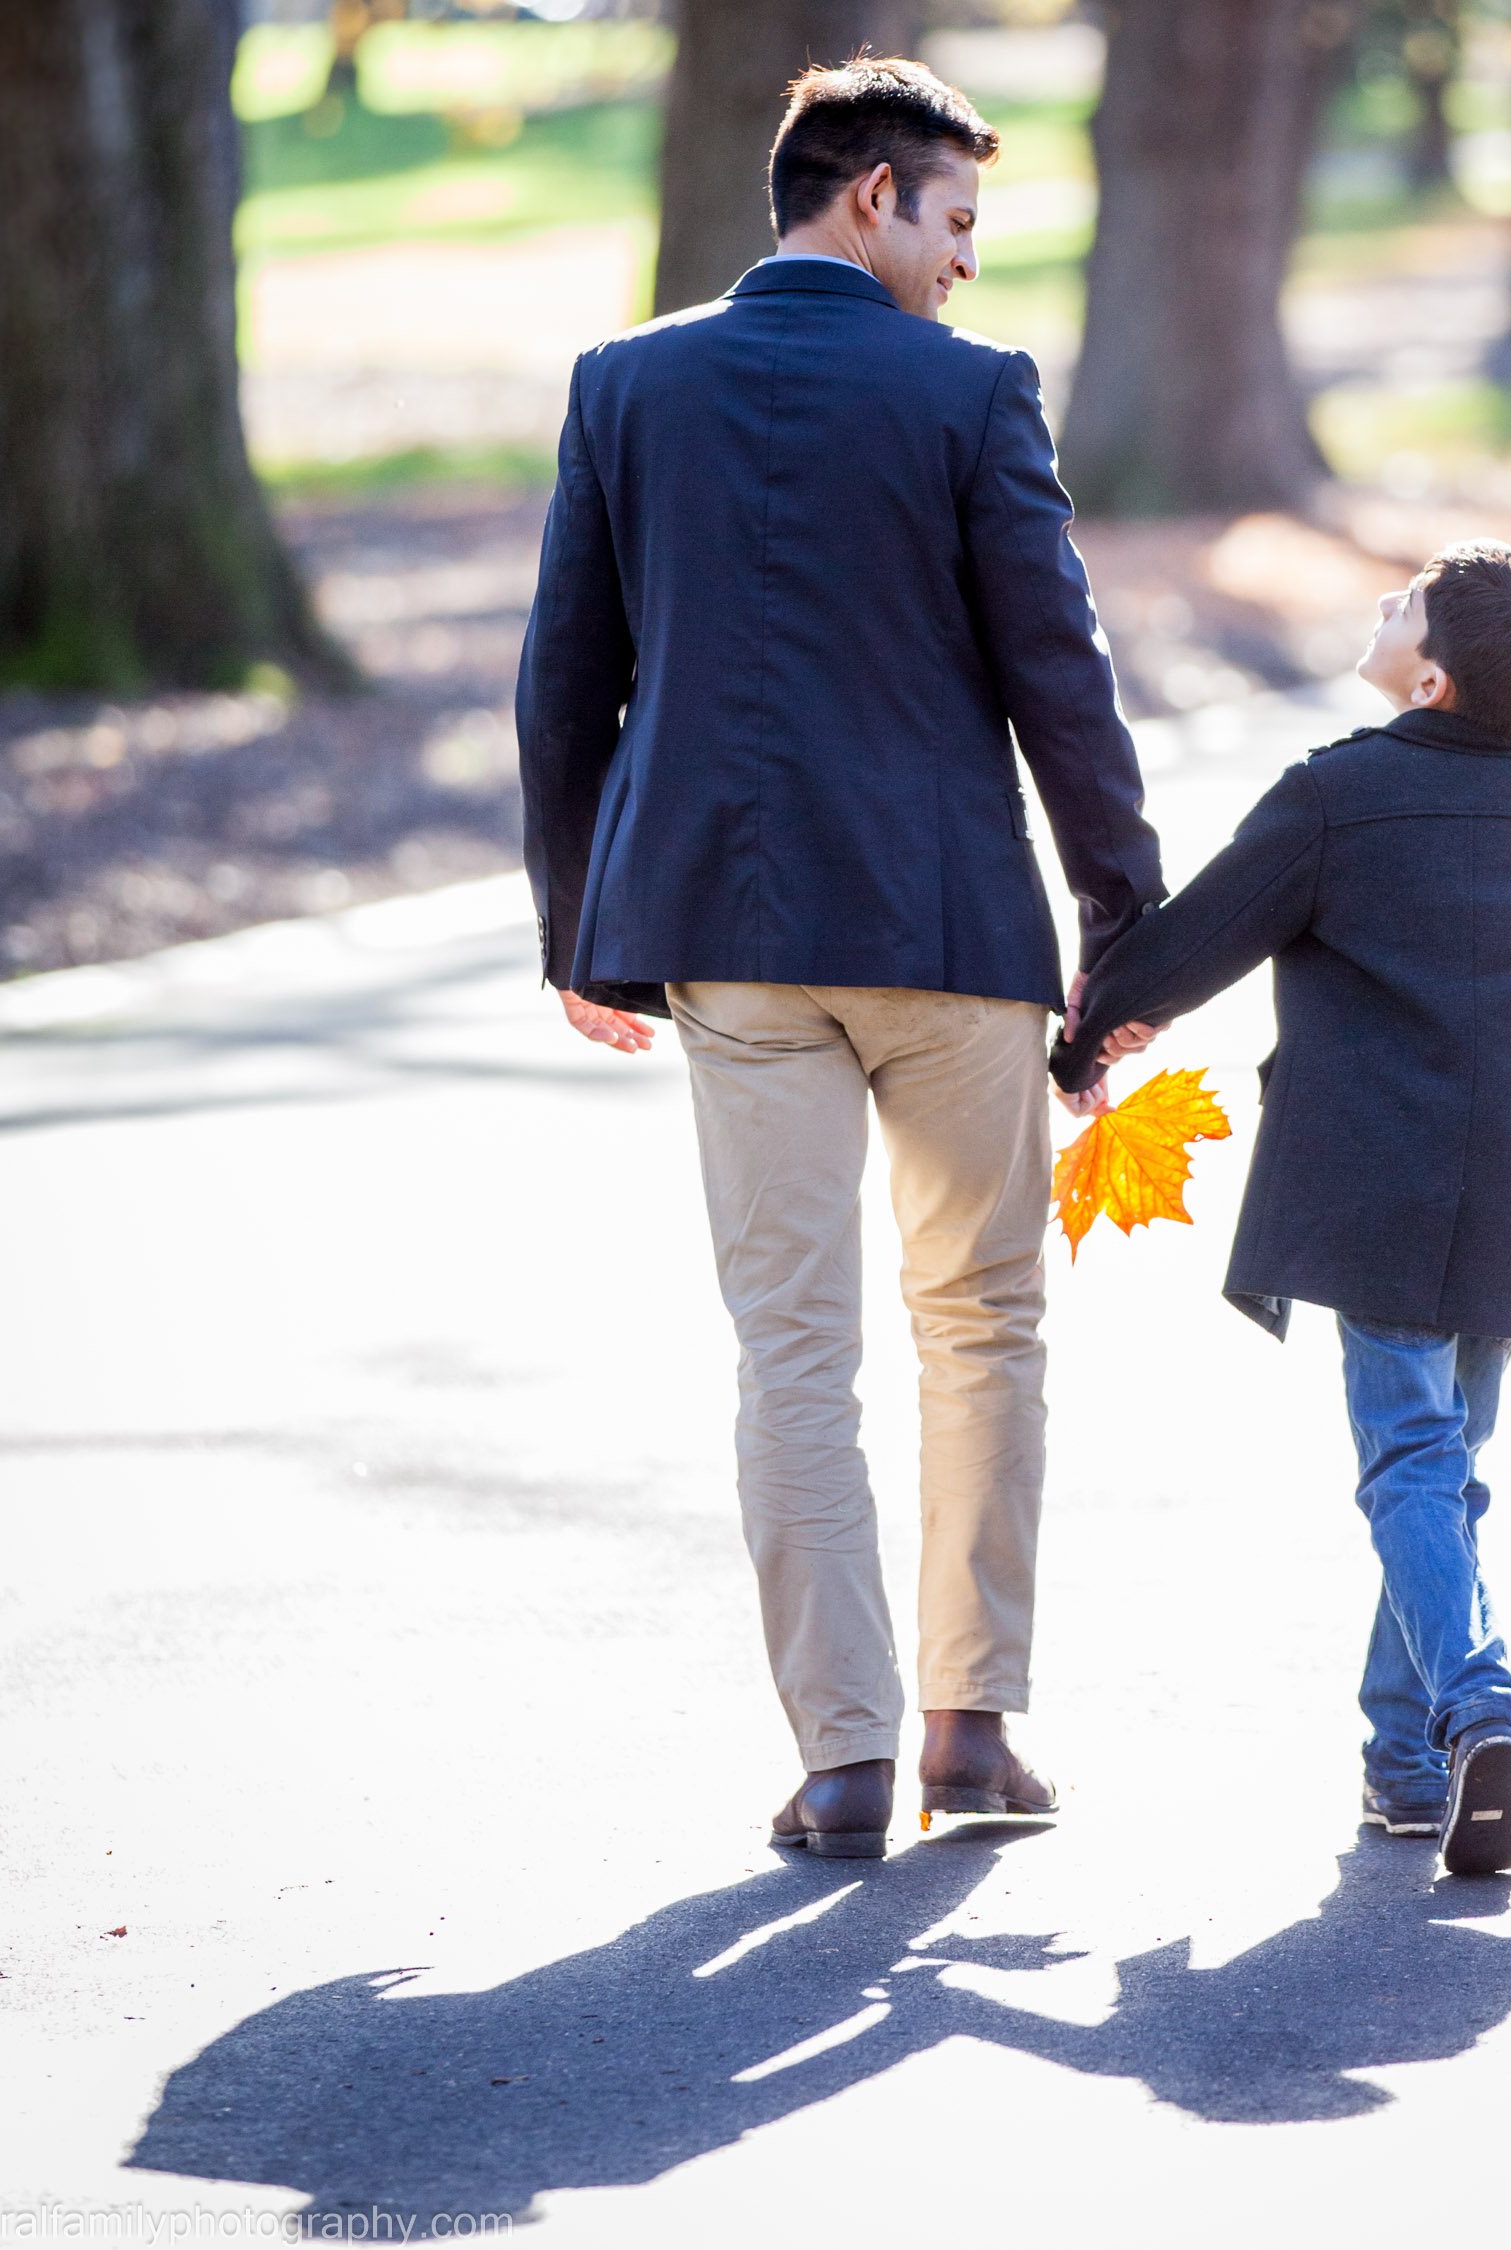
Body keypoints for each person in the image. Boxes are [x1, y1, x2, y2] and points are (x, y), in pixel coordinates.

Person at [516, 59, 1163, 1858]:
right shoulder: (969, 396)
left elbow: (567, 676)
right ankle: (972, 1726)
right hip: (949, 928)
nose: (965, 262)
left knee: (789, 1345)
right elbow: (1063, 677)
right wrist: (1123, 924)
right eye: (954, 219)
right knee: (981, 1324)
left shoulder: (625, 382)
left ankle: (844, 1756)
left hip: (722, 931)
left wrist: (575, 923)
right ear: (869, 196)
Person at [1052, 541, 1511, 1876]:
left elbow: (1195, 939)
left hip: (1372, 1186)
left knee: (1409, 1465)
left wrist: (1083, 1044)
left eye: (1405, 606)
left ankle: (1478, 1700)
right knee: (1441, 1474)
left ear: (1428, 676)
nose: (1381, 606)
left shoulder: (1336, 794)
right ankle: (1406, 1767)